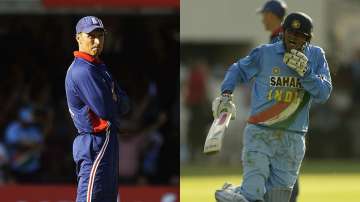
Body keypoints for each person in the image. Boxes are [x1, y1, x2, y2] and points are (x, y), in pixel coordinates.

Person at [213, 12, 332, 202]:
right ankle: (242, 194)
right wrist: (226, 94)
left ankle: (234, 194)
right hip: (261, 133)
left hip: (293, 138)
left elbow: (324, 93)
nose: (294, 38)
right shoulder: (265, 53)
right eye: (291, 32)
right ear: (283, 32)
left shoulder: (316, 56)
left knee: (277, 199)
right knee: (253, 194)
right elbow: (238, 69)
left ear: (307, 39)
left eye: (300, 35)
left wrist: (306, 74)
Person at [65, 16, 130, 202]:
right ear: (78, 38)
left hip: (106, 141)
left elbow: (125, 104)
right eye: (91, 36)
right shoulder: (82, 70)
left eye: (100, 35)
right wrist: (116, 100)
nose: (97, 41)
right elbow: (106, 110)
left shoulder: (98, 66)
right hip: (94, 142)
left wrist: (116, 101)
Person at [258, 1, 299, 201]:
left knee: (279, 168)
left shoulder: (279, 38)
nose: (262, 19)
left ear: (272, 14)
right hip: (288, 111)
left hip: (279, 111)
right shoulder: (286, 36)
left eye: (264, 14)